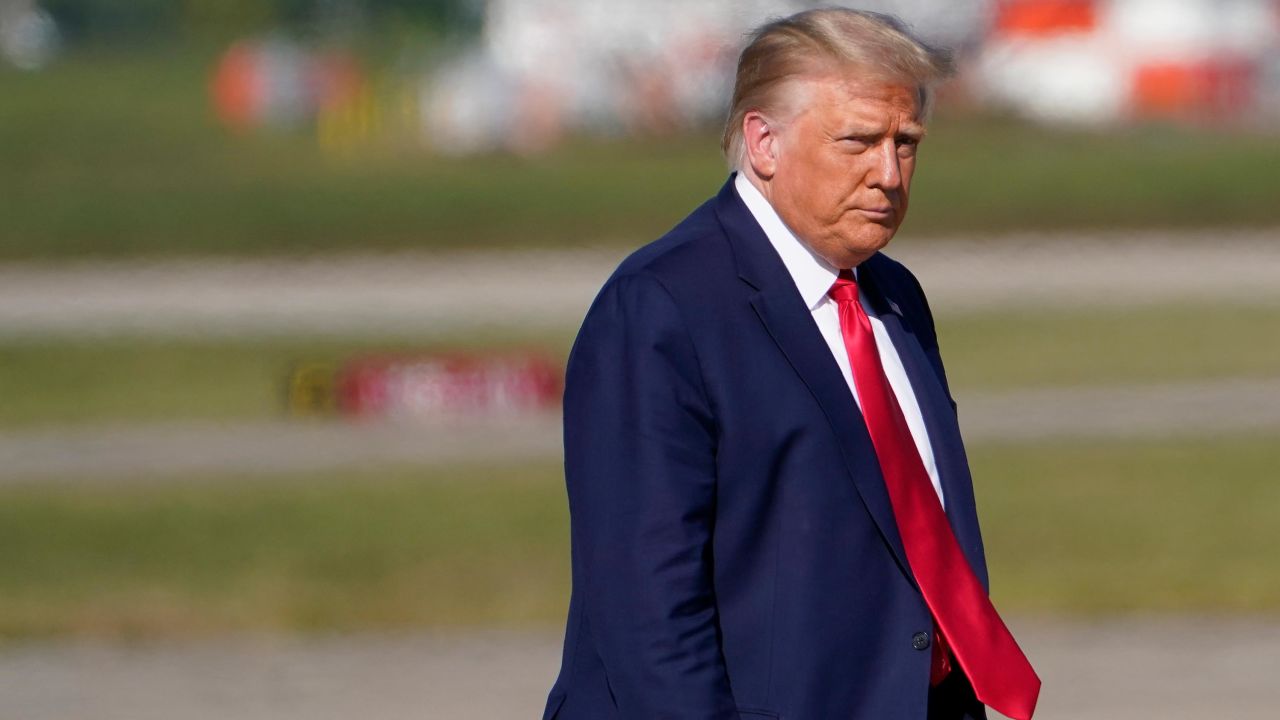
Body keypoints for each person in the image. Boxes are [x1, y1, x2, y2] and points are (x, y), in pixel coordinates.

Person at [542, 9, 1040, 720]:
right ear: (763, 142)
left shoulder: (892, 296)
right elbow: (649, 615)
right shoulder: (661, 309)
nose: (890, 173)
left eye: (907, 142)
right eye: (859, 142)